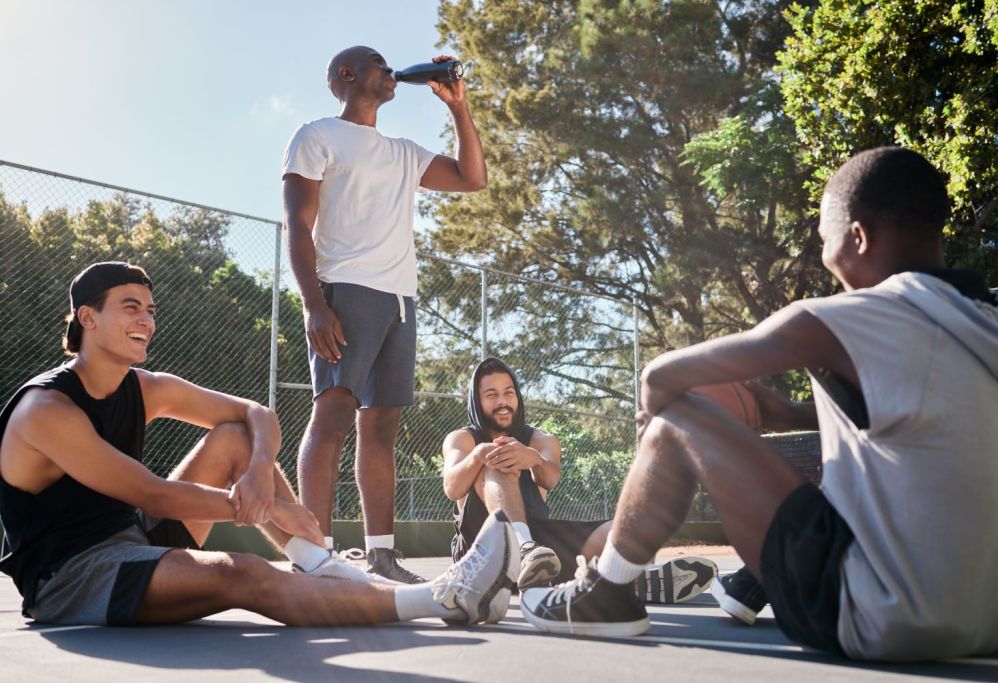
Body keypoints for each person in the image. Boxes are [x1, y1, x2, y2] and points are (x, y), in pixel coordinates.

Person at [519, 147, 998, 661]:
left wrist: (659, 434)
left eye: (826, 240)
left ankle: (606, 592)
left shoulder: (854, 317)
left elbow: (660, 376)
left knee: (679, 416)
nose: (826, 256)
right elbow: (915, 427)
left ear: (858, 236)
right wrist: (781, 412)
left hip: (883, 618)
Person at [0, 261, 518, 627]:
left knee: (233, 438)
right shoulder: (47, 411)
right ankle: (440, 599)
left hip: (133, 537)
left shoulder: (144, 386)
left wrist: (256, 469)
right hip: (73, 576)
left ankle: (322, 566)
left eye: (151, 310)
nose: (147, 321)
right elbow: (151, 494)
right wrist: (258, 506)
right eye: (130, 307)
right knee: (244, 572)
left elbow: (257, 415)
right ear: (87, 318)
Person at [281, 46, 487, 583]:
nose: (389, 67)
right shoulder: (317, 135)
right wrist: (314, 304)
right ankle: (315, 556)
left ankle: (381, 556)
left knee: (383, 425)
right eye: (376, 61)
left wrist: (458, 108)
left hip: (400, 297)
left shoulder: (403, 151)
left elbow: (472, 178)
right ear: (347, 75)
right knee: (332, 415)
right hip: (344, 290)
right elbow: (298, 226)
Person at [443, 357, 718, 601]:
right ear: (477, 401)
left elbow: (550, 480)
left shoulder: (541, 440)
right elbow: (452, 488)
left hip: (542, 556)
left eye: (508, 393)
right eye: (491, 394)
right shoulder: (462, 438)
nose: (502, 401)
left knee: (621, 531)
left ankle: (627, 578)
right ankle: (524, 548)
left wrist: (534, 459)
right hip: (482, 552)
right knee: (496, 458)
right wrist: (479, 455)